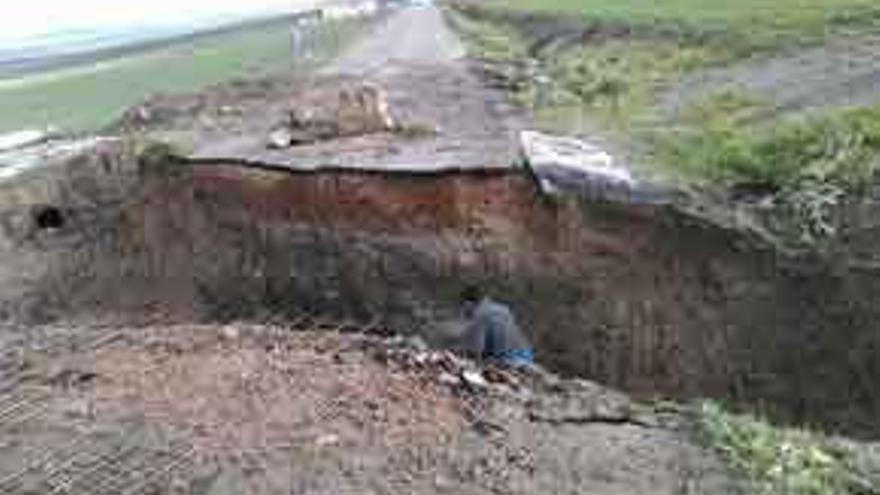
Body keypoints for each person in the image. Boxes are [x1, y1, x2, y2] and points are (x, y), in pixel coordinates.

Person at [460, 285, 534, 367]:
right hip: (526, 355)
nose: (463, 309)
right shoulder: (503, 309)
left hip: (507, 360)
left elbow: (474, 349)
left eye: (463, 305)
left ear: (468, 303)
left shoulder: (478, 315)